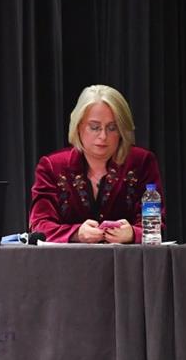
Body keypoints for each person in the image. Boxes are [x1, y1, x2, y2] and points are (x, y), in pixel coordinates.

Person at [29, 85, 162, 243]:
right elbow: (39, 226)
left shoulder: (142, 161)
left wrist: (133, 234)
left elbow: (157, 225)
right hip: (67, 258)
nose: (103, 136)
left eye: (112, 128)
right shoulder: (52, 166)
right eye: (94, 127)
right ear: (78, 127)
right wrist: (76, 234)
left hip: (127, 258)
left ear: (122, 130)